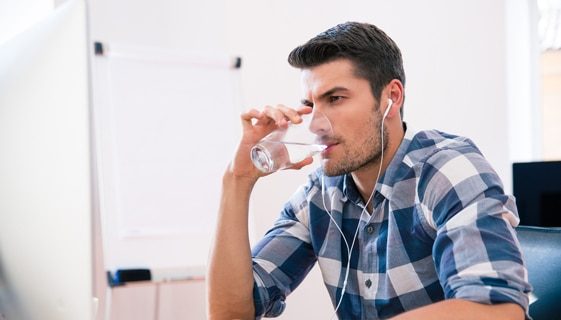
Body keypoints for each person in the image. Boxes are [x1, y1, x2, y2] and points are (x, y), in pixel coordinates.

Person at [207, 21, 531, 319]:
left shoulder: (447, 171)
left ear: (391, 97)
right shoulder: (320, 194)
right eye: (310, 106)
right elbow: (232, 313)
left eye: (335, 98)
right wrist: (237, 178)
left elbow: (501, 312)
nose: (316, 124)